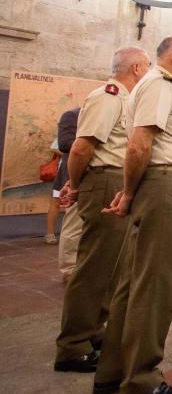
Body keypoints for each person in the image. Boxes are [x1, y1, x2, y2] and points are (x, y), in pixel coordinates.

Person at [92, 36, 172, 394]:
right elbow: (140, 144)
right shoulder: (160, 85)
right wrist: (127, 191)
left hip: (161, 183)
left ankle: (113, 371)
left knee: (134, 281)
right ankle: (140, 378)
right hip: (166, 183)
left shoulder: (159, 85)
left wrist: (129, 191)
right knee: (156, 283)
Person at [53, 46, 150, 374]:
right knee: (95, 266)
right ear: (136, 68)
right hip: (104, 181)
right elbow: (81, 148)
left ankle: (94, 330)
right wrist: (76, 184)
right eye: (147, 67)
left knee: (113, 265)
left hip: (115, 180)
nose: (148, 73)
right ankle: (73, 344)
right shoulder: (108, 96)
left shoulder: (124, 99)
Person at [55, 108, 83, 278]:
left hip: (99, 176)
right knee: (74, 223)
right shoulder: (71, 115)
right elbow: (64, 143)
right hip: (75, 175)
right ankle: (69, 269)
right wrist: (90, 142)